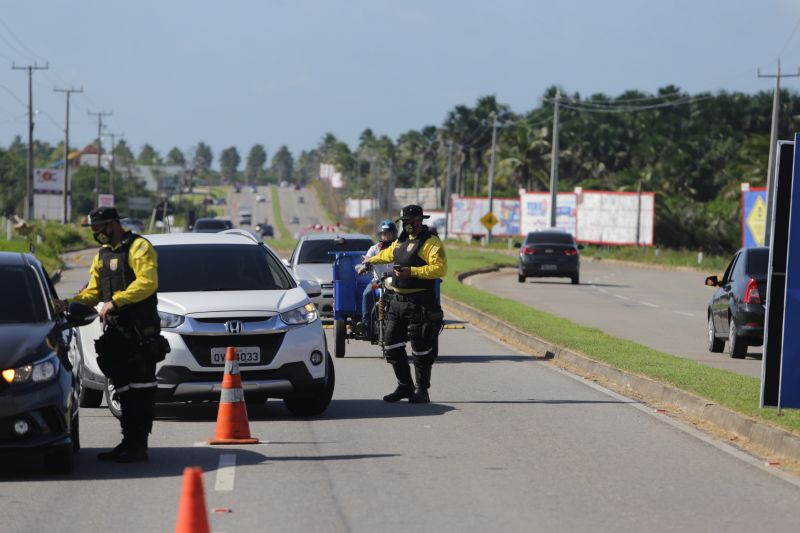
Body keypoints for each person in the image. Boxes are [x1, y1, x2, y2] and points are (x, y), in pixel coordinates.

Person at [58, 207, 164, 462]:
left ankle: (139, 445)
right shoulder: (102, 256)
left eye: (99, 228)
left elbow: (148, 282)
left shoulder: (139, 247)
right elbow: (93, 292)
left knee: (140, 389)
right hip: (117, 333)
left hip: (140, 331)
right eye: (94, 229)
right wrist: (68, 303)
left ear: (113, 224)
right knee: (123, 389)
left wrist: (116, 301)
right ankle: (128, 442)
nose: (96, 234)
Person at [359, 205, 447, 403]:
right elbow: (388, 254)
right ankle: (404, 386)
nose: (406, 225)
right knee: (391, 344)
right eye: (404, 222)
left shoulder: (430, 243)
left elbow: (440, 269)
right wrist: (370, 260)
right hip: (397, 300)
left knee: (421, 349)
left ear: (419, 221)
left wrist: (413, 272)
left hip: (420, 302)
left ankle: (422, 390)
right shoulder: (401, 241)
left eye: (409, 221)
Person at [356, 220, 397, 335]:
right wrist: (362, 267)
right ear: (380, 235)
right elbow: (366, 259)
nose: (386, 236)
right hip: (377, 282)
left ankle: (407, 322)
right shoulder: (374, 249)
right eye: (384, 234)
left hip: (395, 282)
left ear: (394, 234)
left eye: (389, 233)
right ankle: (365, 324)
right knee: (367, 294)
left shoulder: (398, 248)